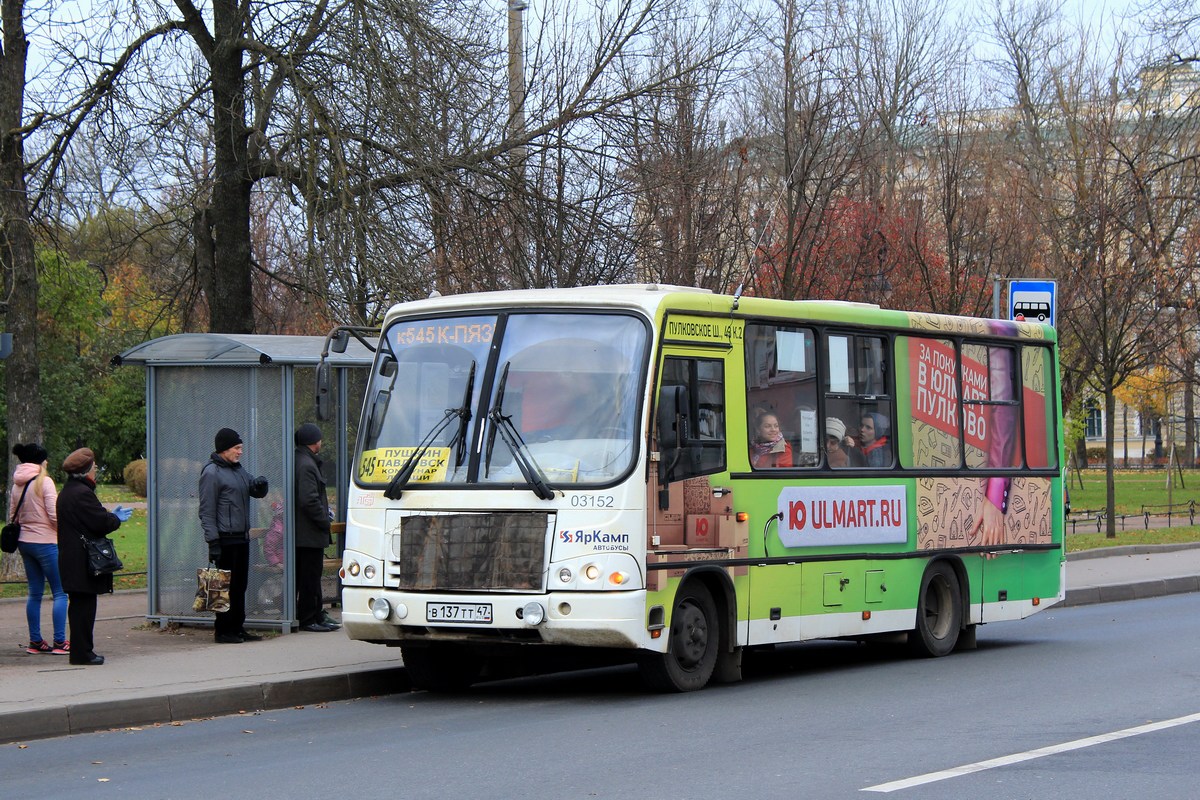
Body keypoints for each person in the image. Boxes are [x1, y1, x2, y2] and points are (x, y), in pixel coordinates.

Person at [57, 447, 131, 666]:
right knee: (83, 609)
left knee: (80, 607)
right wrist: (114, 518)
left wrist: (108, 516)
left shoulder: (70, 491)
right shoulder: (81, 493)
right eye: (94, 466)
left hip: (72, 559)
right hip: (81, 561)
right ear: (87, 470)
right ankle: (82, 653)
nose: (96, 469)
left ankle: (82, 652)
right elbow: (99, 523)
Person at [199, 427, 269, 644]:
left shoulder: (238, 470)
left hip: (241, 537)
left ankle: (237, 627)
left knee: (240, 586)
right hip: (225, 539)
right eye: (237, 448)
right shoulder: (211, 473)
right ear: (224, 449)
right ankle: (223, 631)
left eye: (240, 448)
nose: (240, 452)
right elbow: (206, 510)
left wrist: (260, 485)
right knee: (223, 586)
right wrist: (213, 542)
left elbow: (254, 489)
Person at [10, 443, 68, 655]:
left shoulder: (17, 484)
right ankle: (60, 642)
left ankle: (35, 641)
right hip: (46, 543)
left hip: (25, 543)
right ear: (40, 461)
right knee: (60, 592)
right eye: (45, 459)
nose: (47, 462)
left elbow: (12, 516)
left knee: (34, 593)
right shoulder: (45, 482)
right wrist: (61, 532)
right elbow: (54, 515)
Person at [293, 423, 339, 632]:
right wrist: (324, 520)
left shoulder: (301, 460)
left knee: (310, 576)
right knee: (310, 577)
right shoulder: (307, 465)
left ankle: (316, 614)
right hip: (309, 533)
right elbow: (309, 500)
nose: (321, 442)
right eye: (319, 439)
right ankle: (308, 618)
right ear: (314, 442)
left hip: (305, 533)